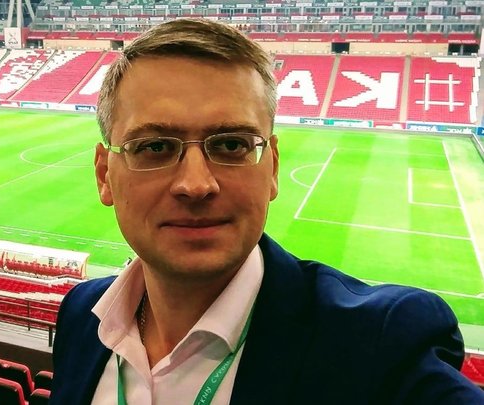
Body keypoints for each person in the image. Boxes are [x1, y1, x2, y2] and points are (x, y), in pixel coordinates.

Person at [50, 19, 484, 404]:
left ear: (272, 167)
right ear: (105, 175)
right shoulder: (81, 316)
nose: (196, 185)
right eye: (155, 147)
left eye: (231, 145)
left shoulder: (380, 346)